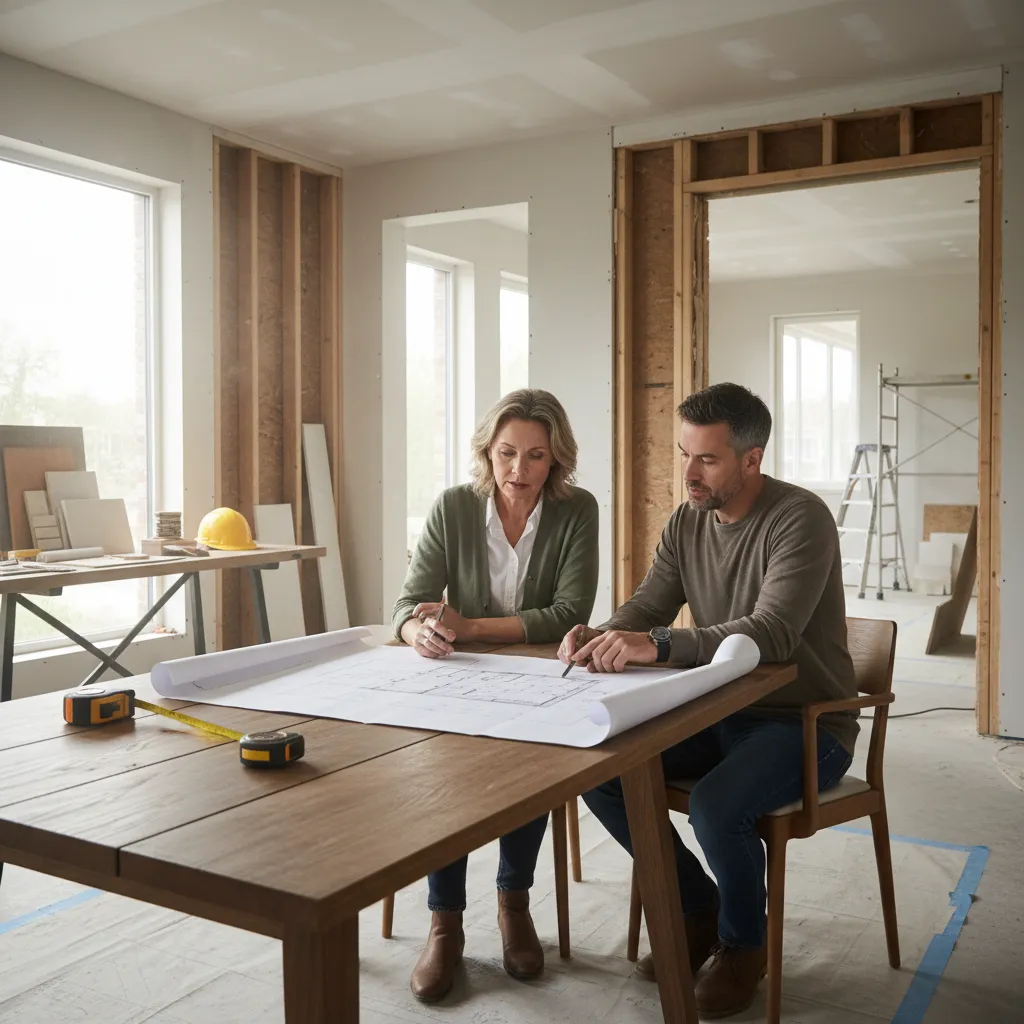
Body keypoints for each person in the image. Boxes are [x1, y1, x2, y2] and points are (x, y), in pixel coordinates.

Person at [558, 382, 857, 1019]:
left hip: (803, 722)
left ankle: (746, 946)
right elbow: (650, 603)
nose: (688, 474)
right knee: (599, 763)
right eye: (683, 454)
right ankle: (695, 909)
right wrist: (607, 632)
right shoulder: (687, 519)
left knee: (719, 807)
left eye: (707, 460)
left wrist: (657, 645)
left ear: (752, 459)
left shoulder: (800, 518)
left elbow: (773, 633)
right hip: (715, 707)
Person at [393, 387, 599, 1002]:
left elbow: (570, 611)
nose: (519, 471)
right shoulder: (454, 506)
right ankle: (445, 923)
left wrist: (470, 625)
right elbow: (408, 604)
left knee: (530, 766)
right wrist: (419, 630)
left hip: (541, 676)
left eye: (536, 457)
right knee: (444, 771)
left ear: (555, 460)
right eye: (507, 453)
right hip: (457, 675)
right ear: (487, 452)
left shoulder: (577, 509)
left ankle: (515, 905)